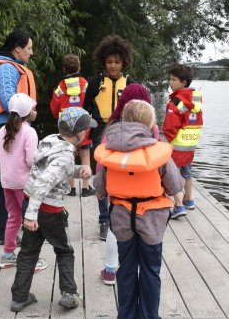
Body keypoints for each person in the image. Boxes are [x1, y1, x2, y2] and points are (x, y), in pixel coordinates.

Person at [94, 100, 184, 319]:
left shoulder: (111, 150)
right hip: (151, 220)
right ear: (150, 123)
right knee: (150, 270)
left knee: (125, 268)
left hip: (121, 217)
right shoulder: (159, 152)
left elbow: (99, 188)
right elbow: (175, 186)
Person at [10, 107, 94, 312]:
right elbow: (45, 182)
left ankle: (19, 297)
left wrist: (76, 171)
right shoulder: (65, 155)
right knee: (64, 251)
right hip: (47, 210)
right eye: (86, 129)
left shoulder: (51, 141)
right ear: (80, 132)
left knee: (28, 252)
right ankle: (69, 294)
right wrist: (31, 216)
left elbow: (50, 170)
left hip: (30, 201)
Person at [96, 83, 159, 286]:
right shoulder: (153, 129)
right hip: (145, 194)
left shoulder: (112, 129)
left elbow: (102, 161)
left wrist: (100, 187)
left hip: (116, 191)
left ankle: (110, 270)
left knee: (115, 230)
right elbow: (157, 158)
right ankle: (138, 269)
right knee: (143, 232)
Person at [0, 29, 36, 245]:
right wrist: (29, 113)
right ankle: (4, 230)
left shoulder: (11, 66)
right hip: (5, 130)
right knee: (4, 183)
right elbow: (7, 100)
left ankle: (8, 229)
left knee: (6, 182)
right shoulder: (6, 68)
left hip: (10, 130)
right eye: (29, 48)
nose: (31, 53)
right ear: (17, 48)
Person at [83, 35, 136, 240]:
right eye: (109, 62)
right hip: (101, 136)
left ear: (124, 62)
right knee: (101, 178)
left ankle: (121, 217)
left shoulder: (130, 84)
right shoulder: (95, 83)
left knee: (123, 177)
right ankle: (104, 220)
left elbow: (141, 111)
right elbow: (84, 109)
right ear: (103, 62)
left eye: (117, 62)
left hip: (125, 135)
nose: (113, 66)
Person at [0, 93, 47, 271]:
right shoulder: (29, 132)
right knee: (31, 219)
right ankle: (31, 259)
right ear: (28, 113)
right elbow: (32, 160)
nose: (35, 110)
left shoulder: (2, 130)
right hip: (24, 184)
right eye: (33, 108)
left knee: (14, 218)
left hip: (7, 182)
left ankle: (8, 255)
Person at [162, 64, 203, 219]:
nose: (170, 82)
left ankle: (178, 206)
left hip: (176, 145)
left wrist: (164, 140)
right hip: (189, 144)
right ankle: (188, 200)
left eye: (173, 79)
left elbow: (170, 126)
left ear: (183, 82)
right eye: (170, 79)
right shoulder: (196, 101)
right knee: (187, 172)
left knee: (173, 174)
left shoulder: (175, 102)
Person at [49, 54, 94, 197]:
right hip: (84, 124)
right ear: (79, 67)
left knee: (69, 155)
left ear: (64, 69)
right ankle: (86, 188)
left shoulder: (59, 88)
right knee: (85, 154)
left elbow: (54, 108)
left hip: (67, 126)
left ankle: (71, 188)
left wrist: (59, 117)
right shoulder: (86, 84)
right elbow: (93, 103)